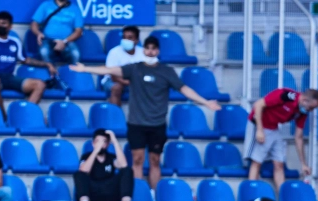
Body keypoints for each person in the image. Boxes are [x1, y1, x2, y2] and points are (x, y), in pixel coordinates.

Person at [70, 37, 221, 189]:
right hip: (137, 123)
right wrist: (86, 69)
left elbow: (184, 89)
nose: (150, 51)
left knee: (155, 160)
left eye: (153, 48)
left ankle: (155, 193)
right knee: (137, 160)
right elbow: (110, 70)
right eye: (147, 48)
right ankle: (139, 193)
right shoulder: (135, 68)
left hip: (157, 125)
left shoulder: (166, 71)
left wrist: (206, 102)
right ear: (144, 50)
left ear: (158, 51)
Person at [0, 11, 57, 119]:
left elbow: (26, 60)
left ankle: (23, 115)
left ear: (10, 26)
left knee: (40, 84)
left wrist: (47, 64)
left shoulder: (15, 41)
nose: (0, 25)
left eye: (4, 23)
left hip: (8, 77)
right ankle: (4, 117)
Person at [244, 88, 318, 190]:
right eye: (311, 108)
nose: (310, 111)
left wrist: (303, 164)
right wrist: (259, 130)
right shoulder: (285, 96)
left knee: (279, 163)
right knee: (257, 161)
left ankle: (283, 197)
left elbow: (298, 136)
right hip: (259, 123)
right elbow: (258, 104)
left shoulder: (302, 112)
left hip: (273, 127)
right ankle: (252, 193)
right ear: (304, 100)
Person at [74, 128, 139, 201]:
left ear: (108, 144)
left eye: (104, 141)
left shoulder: (111, 157)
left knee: (128, 170)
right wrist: (96, 151)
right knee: (79, 173)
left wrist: (115, 142)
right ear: (93, 143)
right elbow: (84, 171)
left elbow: (124, 166)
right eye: (98, 141)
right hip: (93, 192)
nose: (101, 144)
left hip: (109, 191)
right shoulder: (86, 156)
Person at [30, 0, 83, 64]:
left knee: (75, 53)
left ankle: (70, 73)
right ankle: (50, 72)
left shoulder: (75, 9)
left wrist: (64, 42)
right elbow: (34, 24)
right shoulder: (46, 5)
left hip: (67, 41)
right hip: (47, 39)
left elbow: (78, 31)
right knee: (44, 51)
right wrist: (38, 33)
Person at [103, 26, 144, 106]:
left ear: (136, 40)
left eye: (130, 38)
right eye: (124, 37)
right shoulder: (114, 52)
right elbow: (113, 76)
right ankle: (116, 117)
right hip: (113, 81)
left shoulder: (143, 53)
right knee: (117, 88)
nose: (126, 40)